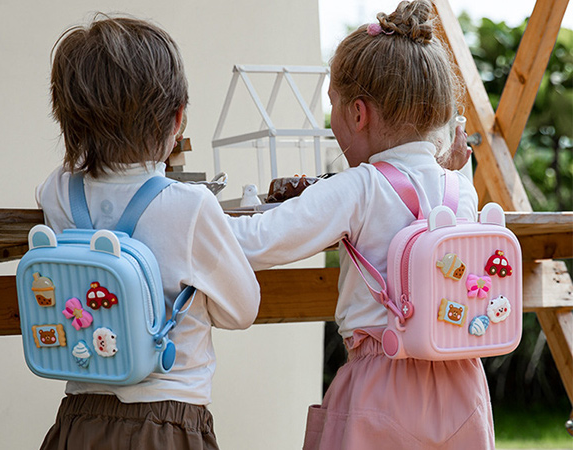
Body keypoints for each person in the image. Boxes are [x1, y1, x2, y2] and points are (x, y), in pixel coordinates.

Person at [228, 1, 493, 449]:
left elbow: (257, 243)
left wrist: (192, 213)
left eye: (332, 107)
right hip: (462, 382)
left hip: (382, 384)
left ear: (357, 114)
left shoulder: (360, 187)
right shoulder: (459, 190)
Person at [36, 15, 259, 450]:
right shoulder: (191, 206)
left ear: (70, 120)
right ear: (177, 121)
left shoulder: (57, 191)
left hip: (79, 417)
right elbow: (242, 309)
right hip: (168, 421)